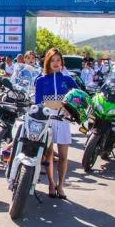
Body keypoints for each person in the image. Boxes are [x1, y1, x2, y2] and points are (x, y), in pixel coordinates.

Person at [34, 48, 77, 199]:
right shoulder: (40, 80)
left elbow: (79, 97)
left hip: (63, 120)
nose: (56, 63)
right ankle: (51, 184)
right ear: (47, 62)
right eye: (53, 60)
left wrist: (70, 109)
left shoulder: (67, 79)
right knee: (49, 155)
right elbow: (37, 102)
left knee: (64, 156)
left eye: (58, 60)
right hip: (48, 120)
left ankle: (61, 185)